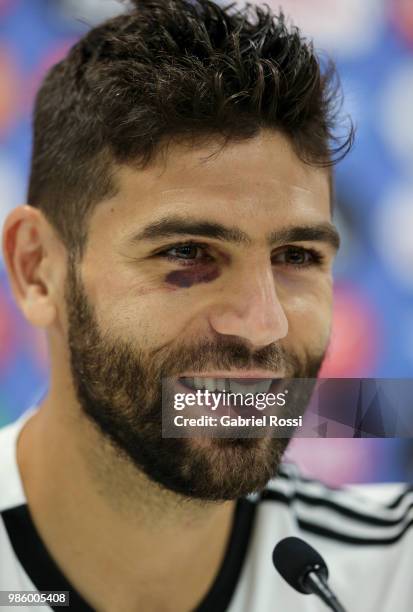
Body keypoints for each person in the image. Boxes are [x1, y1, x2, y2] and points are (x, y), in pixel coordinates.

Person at [0, 1, 411, 610]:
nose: (262, 325)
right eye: (187, 252)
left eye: (297, 257)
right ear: (37, 270)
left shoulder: (392, 575)